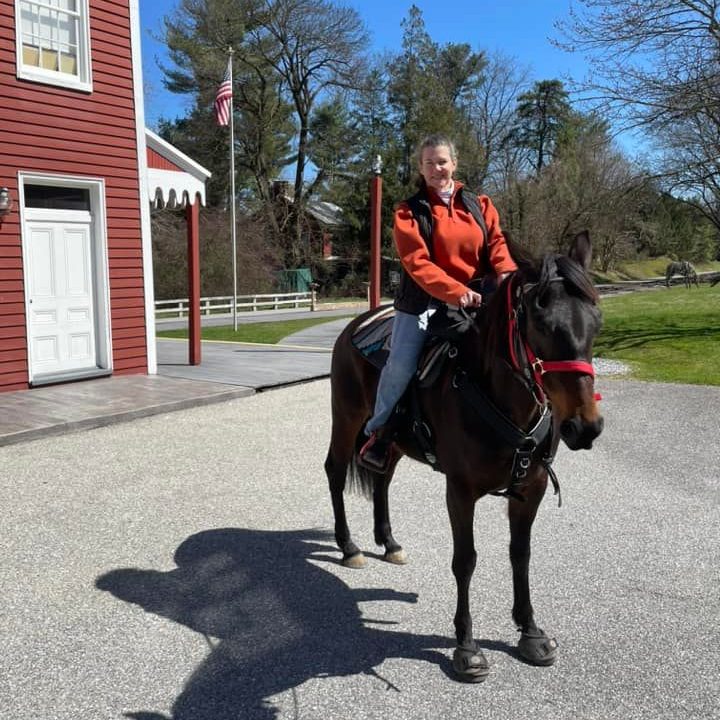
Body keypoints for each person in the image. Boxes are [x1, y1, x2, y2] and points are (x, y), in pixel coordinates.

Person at [359, 133, 518, 471]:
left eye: (442, 161)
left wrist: (505, 273)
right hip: (424, 301)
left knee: (522, 342)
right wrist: (456, 291)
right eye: (429, 162)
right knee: (401, 363)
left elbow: (497, 243)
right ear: (421, 167)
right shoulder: (409, 211)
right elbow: (417, 263)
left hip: (480, 296)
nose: (436, 168)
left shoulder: (480, 204)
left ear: (454, 164)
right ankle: (380, 433)